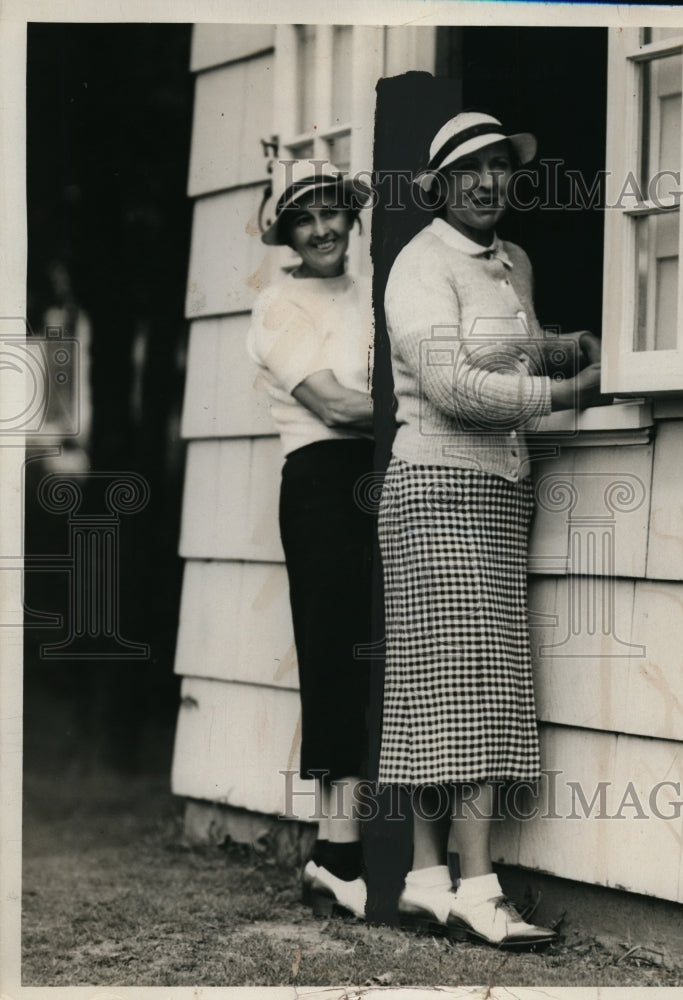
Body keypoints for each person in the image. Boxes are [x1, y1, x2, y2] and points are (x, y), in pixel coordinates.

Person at [377, 111, 603, 946]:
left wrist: (567, 348)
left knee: (448, 685)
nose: (486, 181)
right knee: (466, 684)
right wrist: (567, 395)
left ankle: (426, 876)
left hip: (498, 491)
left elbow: (512, 350)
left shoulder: (512, 261)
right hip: (435, 486)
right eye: (468, 168)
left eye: (500, 167)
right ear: (438, 184)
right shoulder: (417, 265)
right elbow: (456, 389)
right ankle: (477, 885)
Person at [247, 159, 374, 919]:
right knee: (333, 651)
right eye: (306, 218)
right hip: (325, 484)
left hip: (390, 472)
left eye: (333, 212)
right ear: (288, 233)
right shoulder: (278, 305)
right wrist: (431, 405)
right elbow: (332, 404)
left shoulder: (374, 291)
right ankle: (336, 854)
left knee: (382, 651)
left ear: (353, 218)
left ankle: (360, 853)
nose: (324, 228)